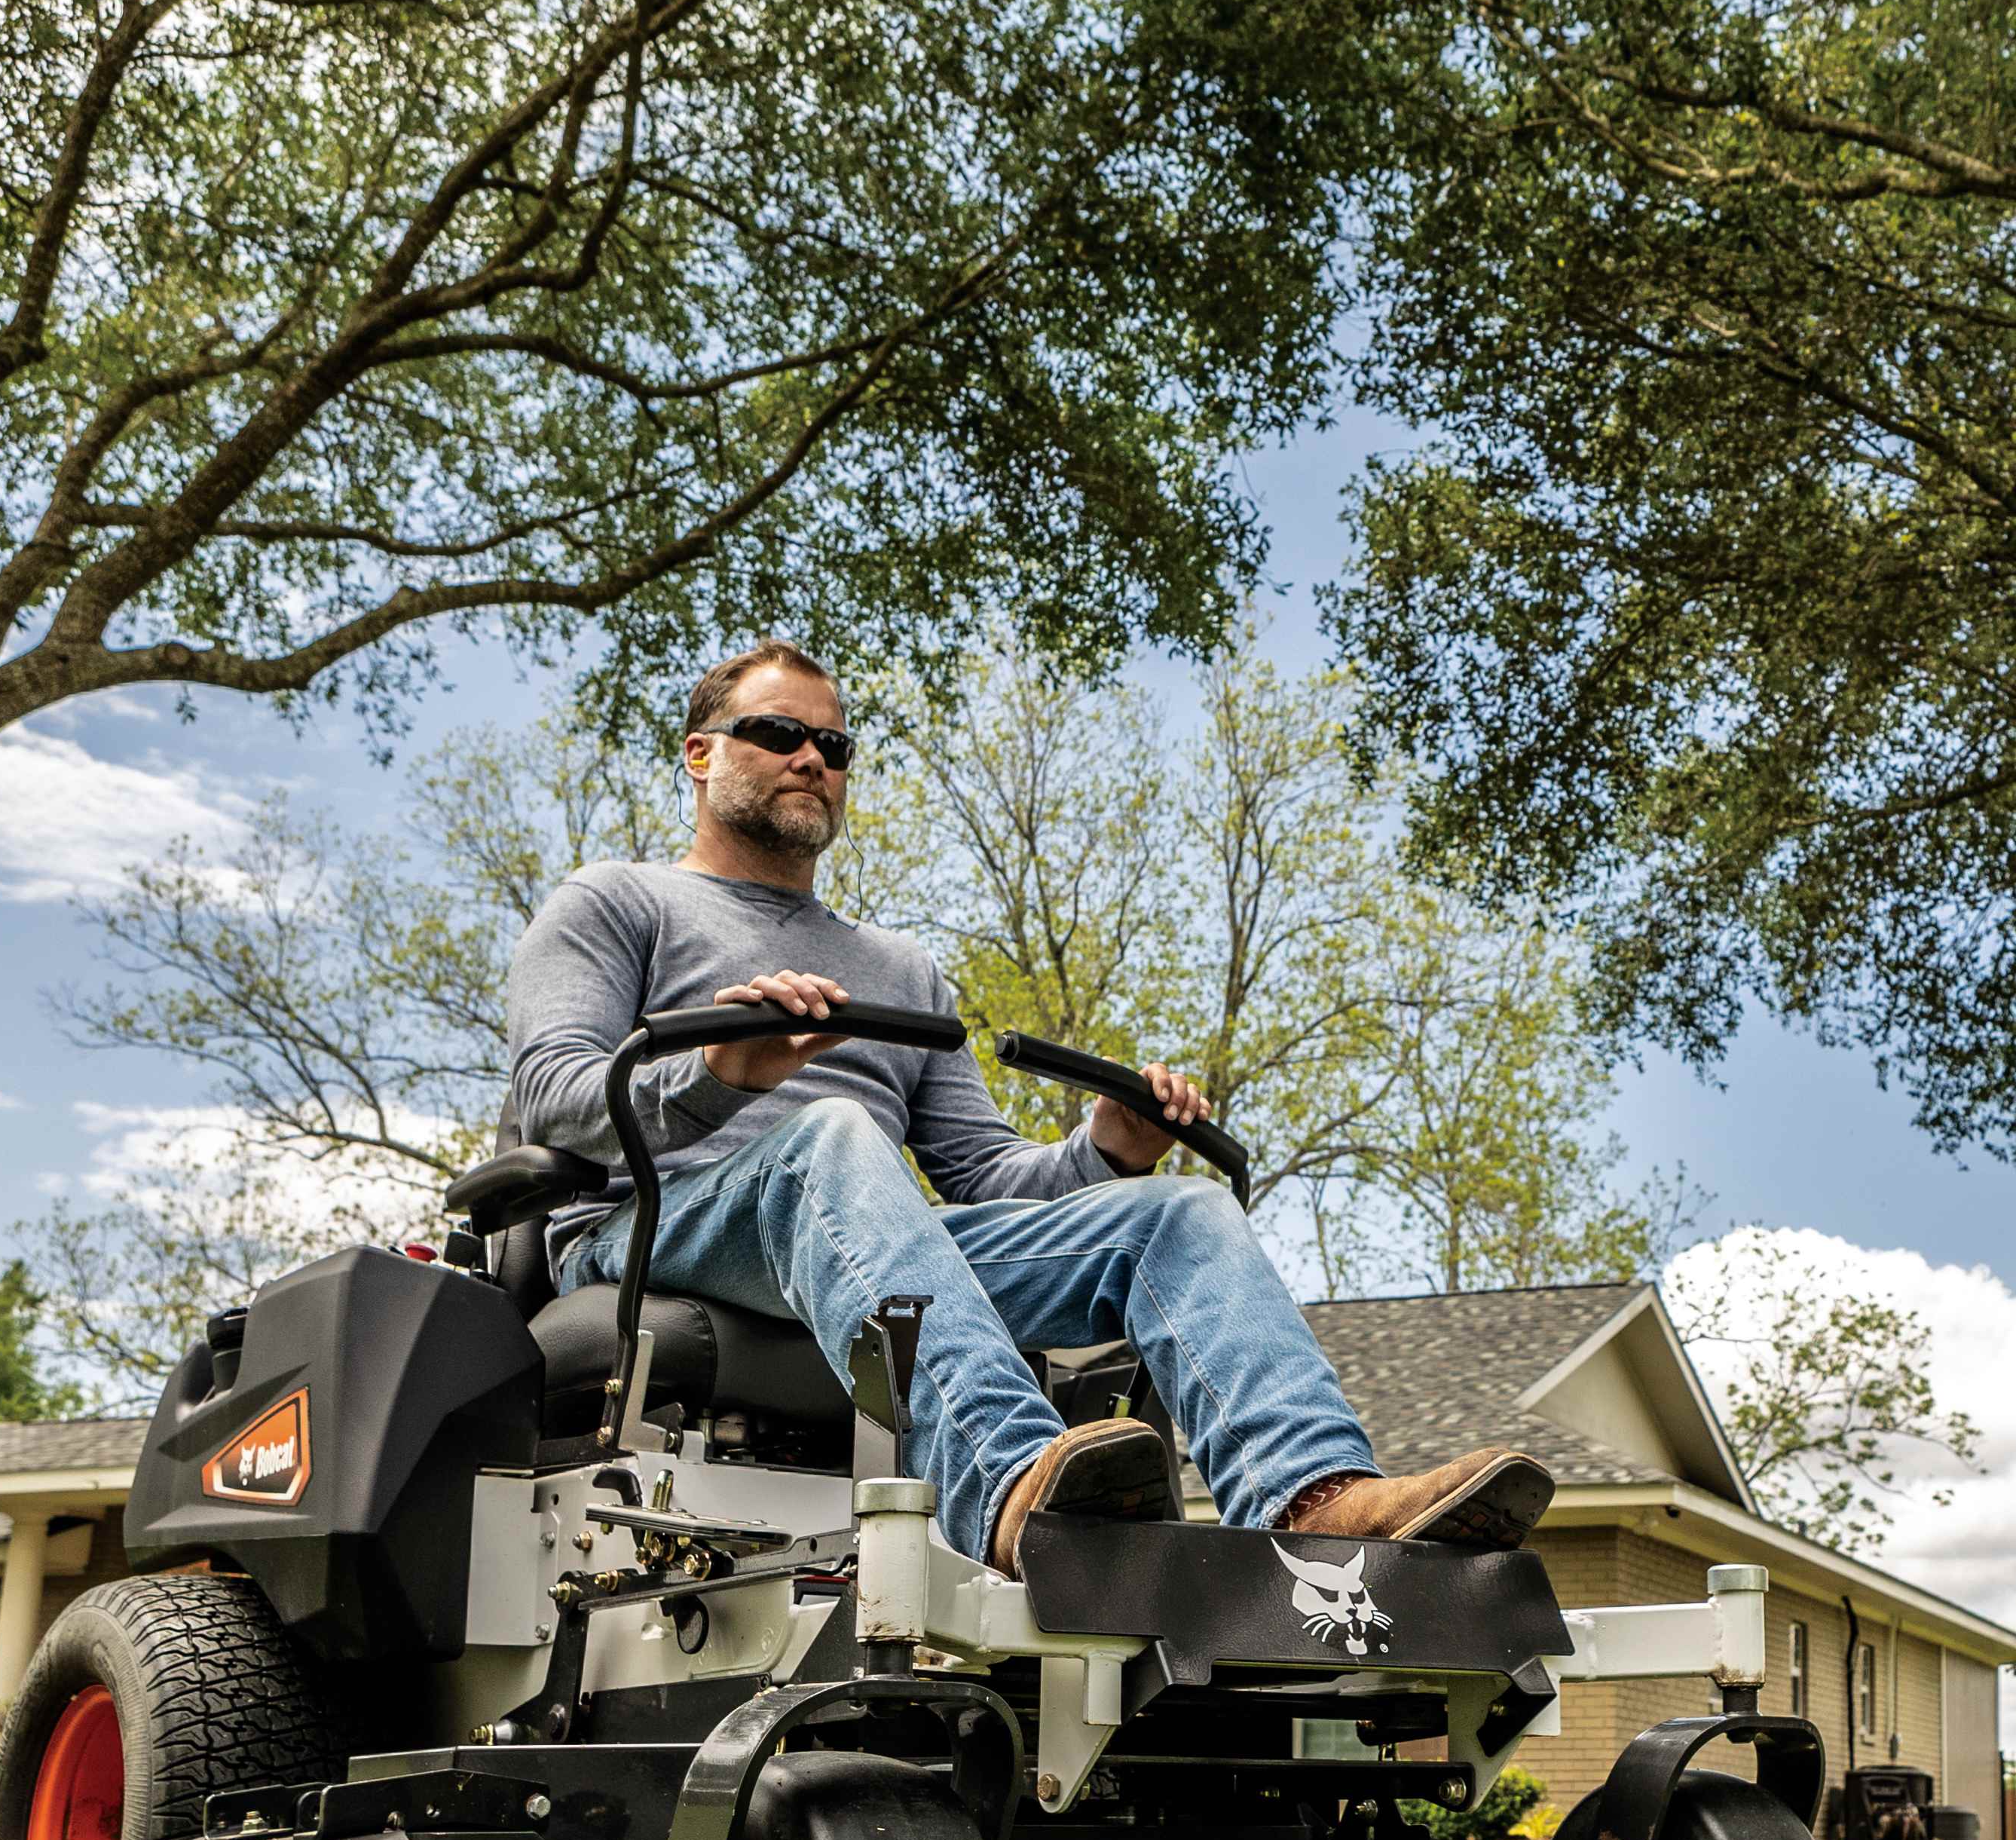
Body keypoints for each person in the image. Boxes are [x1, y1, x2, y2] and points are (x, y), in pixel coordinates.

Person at [503, 638, 1553, 1575]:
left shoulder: (900, 968)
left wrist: (1109, 1151)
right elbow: (553, 1097)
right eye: (778, 733)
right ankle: (1014, 1493)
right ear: (700, 754)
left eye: (835, 744)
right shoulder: (616, 902)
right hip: (658, 1226)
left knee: (1178, 1215)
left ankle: (1321, 1503)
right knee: (830, 1140)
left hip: (852, 1229)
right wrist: (718, 1070)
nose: (812, 758)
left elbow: (985, 1181)